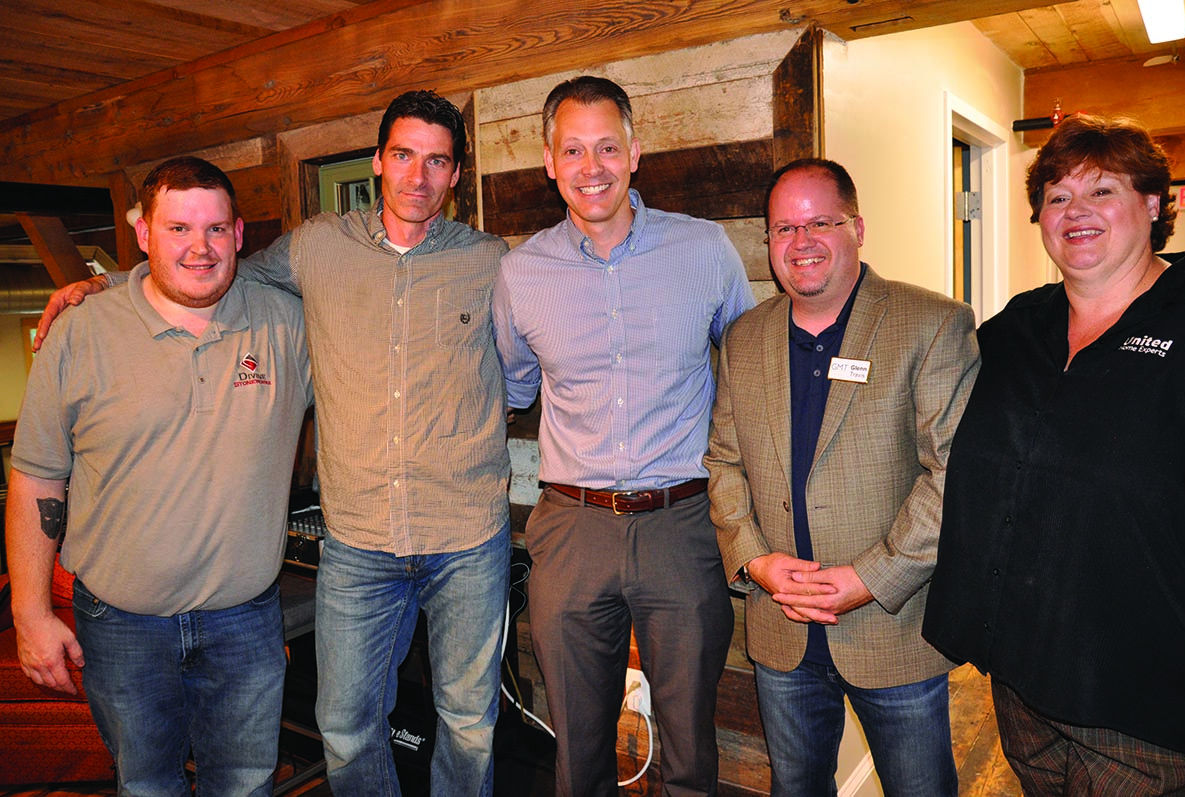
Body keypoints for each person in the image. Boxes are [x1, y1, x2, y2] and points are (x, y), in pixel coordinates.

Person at [33, 91, 512, 797]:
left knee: (469, 724)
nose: (418, 176)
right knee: (347, 729)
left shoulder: (494, 261)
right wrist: (102, 286)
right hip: (358, 542)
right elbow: (207, 269)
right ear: (378, 162)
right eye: (404, 155)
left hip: (467, 536)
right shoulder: (316, 246)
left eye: (438, 160)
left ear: (456, 173)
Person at [7, 156, 313, 795]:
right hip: (121, 626)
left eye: (216, 230)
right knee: (146, 787)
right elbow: (38, 478)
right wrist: (30, 611)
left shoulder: (287, 323)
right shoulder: (81, 330)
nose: (200, 248)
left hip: (245, 623)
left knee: (247, 786)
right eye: (178, 229)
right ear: (143, 232)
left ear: (238, 234)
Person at [492, 76, 755, 797]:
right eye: (573, 149)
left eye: (607, 146)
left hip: (682, 523)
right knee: (577, 748)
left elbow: (749, 371)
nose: (592, 166)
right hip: (572, 528)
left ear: (634, 152)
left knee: (691, 745)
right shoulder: (520, 273)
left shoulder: (704, 250)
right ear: (549, 161)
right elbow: (515, 387)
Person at [923, 114, 1185, 793]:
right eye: (1057, 196)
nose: (1076, 211)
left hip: (1146, 706)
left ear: (1154, 204)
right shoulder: (1020, 325)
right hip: (1025, 684)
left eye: (1103, 191)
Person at [704, 158, 979, 796]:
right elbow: (724, 463)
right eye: (782, 229)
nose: (800, 242)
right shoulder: (744, 339)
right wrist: (756, 563)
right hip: (782, 625)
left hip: (893, 626)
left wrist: (870, 578)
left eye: (819, 222)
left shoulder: (931, 323)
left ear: (857, 227)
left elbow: (954, 473)